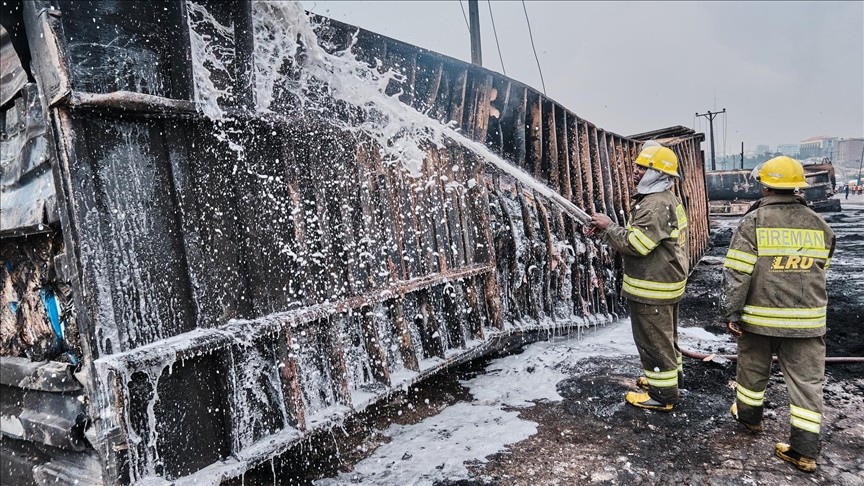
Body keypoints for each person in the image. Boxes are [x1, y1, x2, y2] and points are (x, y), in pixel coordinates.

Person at [721, 155, 836, 473]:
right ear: (798, 188)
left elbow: (737, 273)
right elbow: (824, 263)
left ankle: (750, 421)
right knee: (807, 384)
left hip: (761, 320)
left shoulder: (752, 222)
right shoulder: (818, 223)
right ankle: (804, 452)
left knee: (752, 373)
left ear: (766, 186)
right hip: (808, 322)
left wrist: (731, 312)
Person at [587, 142, 689, 411]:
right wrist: (606, 231)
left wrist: (609, 228)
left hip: (653, 286)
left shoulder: (655, 204)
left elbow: (637, 245)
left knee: (653, 340)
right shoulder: (665, 198)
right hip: (665, 280)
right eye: (636, 166)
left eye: (642, 168)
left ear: (657, 173)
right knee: (666, 337)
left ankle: (663, 396)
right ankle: (671, 379)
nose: (634, 171)